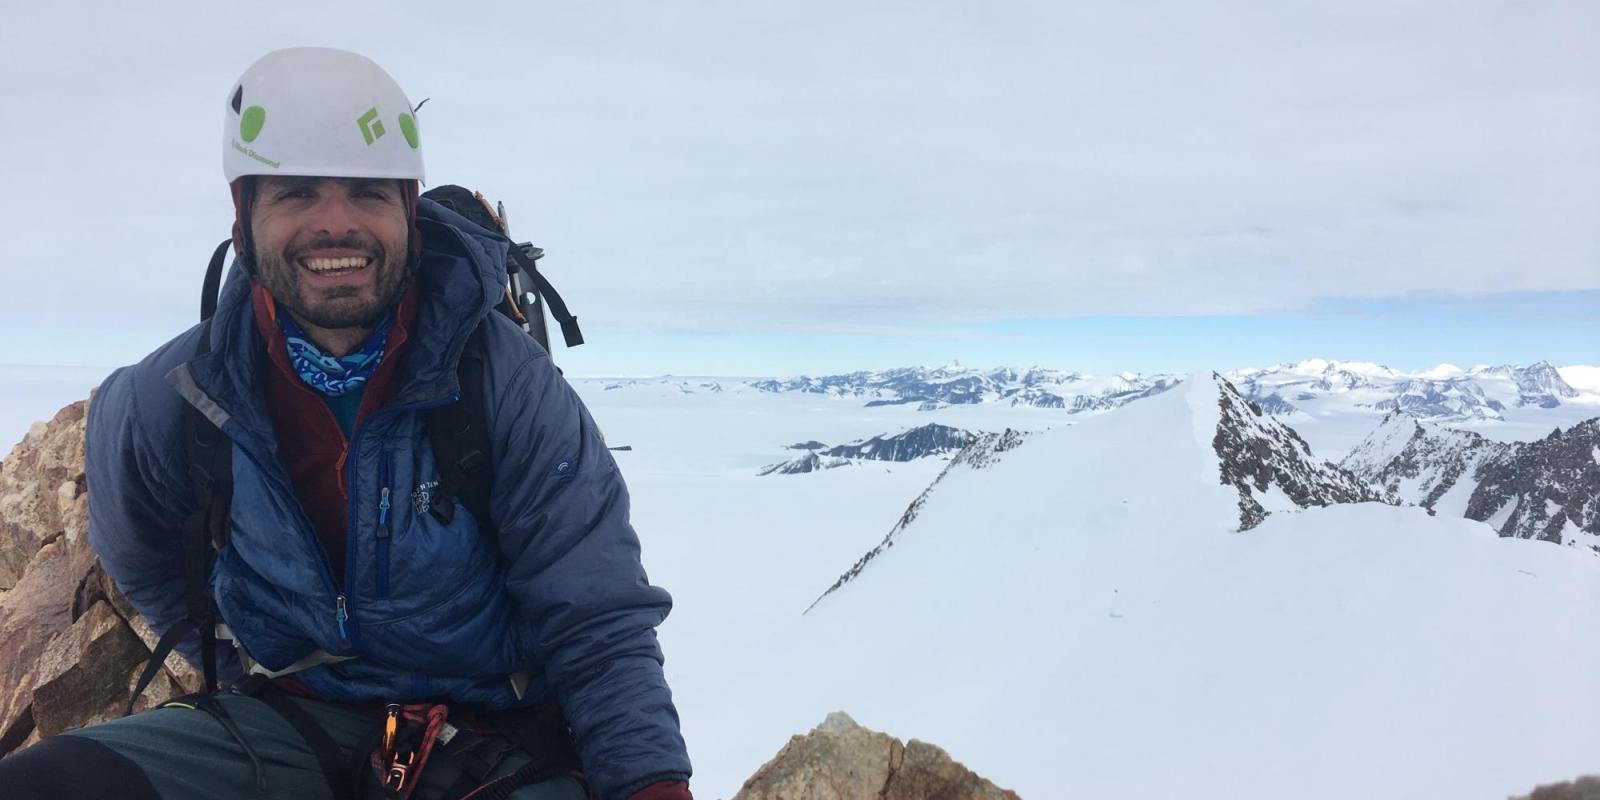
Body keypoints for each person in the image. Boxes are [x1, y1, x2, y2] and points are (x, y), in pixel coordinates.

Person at [0, 47, 692, 800]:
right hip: (299, 723)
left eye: (368, 193)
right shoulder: (169, 401)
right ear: (243, 220)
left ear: (409, 216)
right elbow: (153, 567)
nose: (336, 224)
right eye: (296, 192)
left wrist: (650, 786)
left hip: (497, 743)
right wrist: (253, 673)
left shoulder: (505, 388)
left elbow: (598, 622)